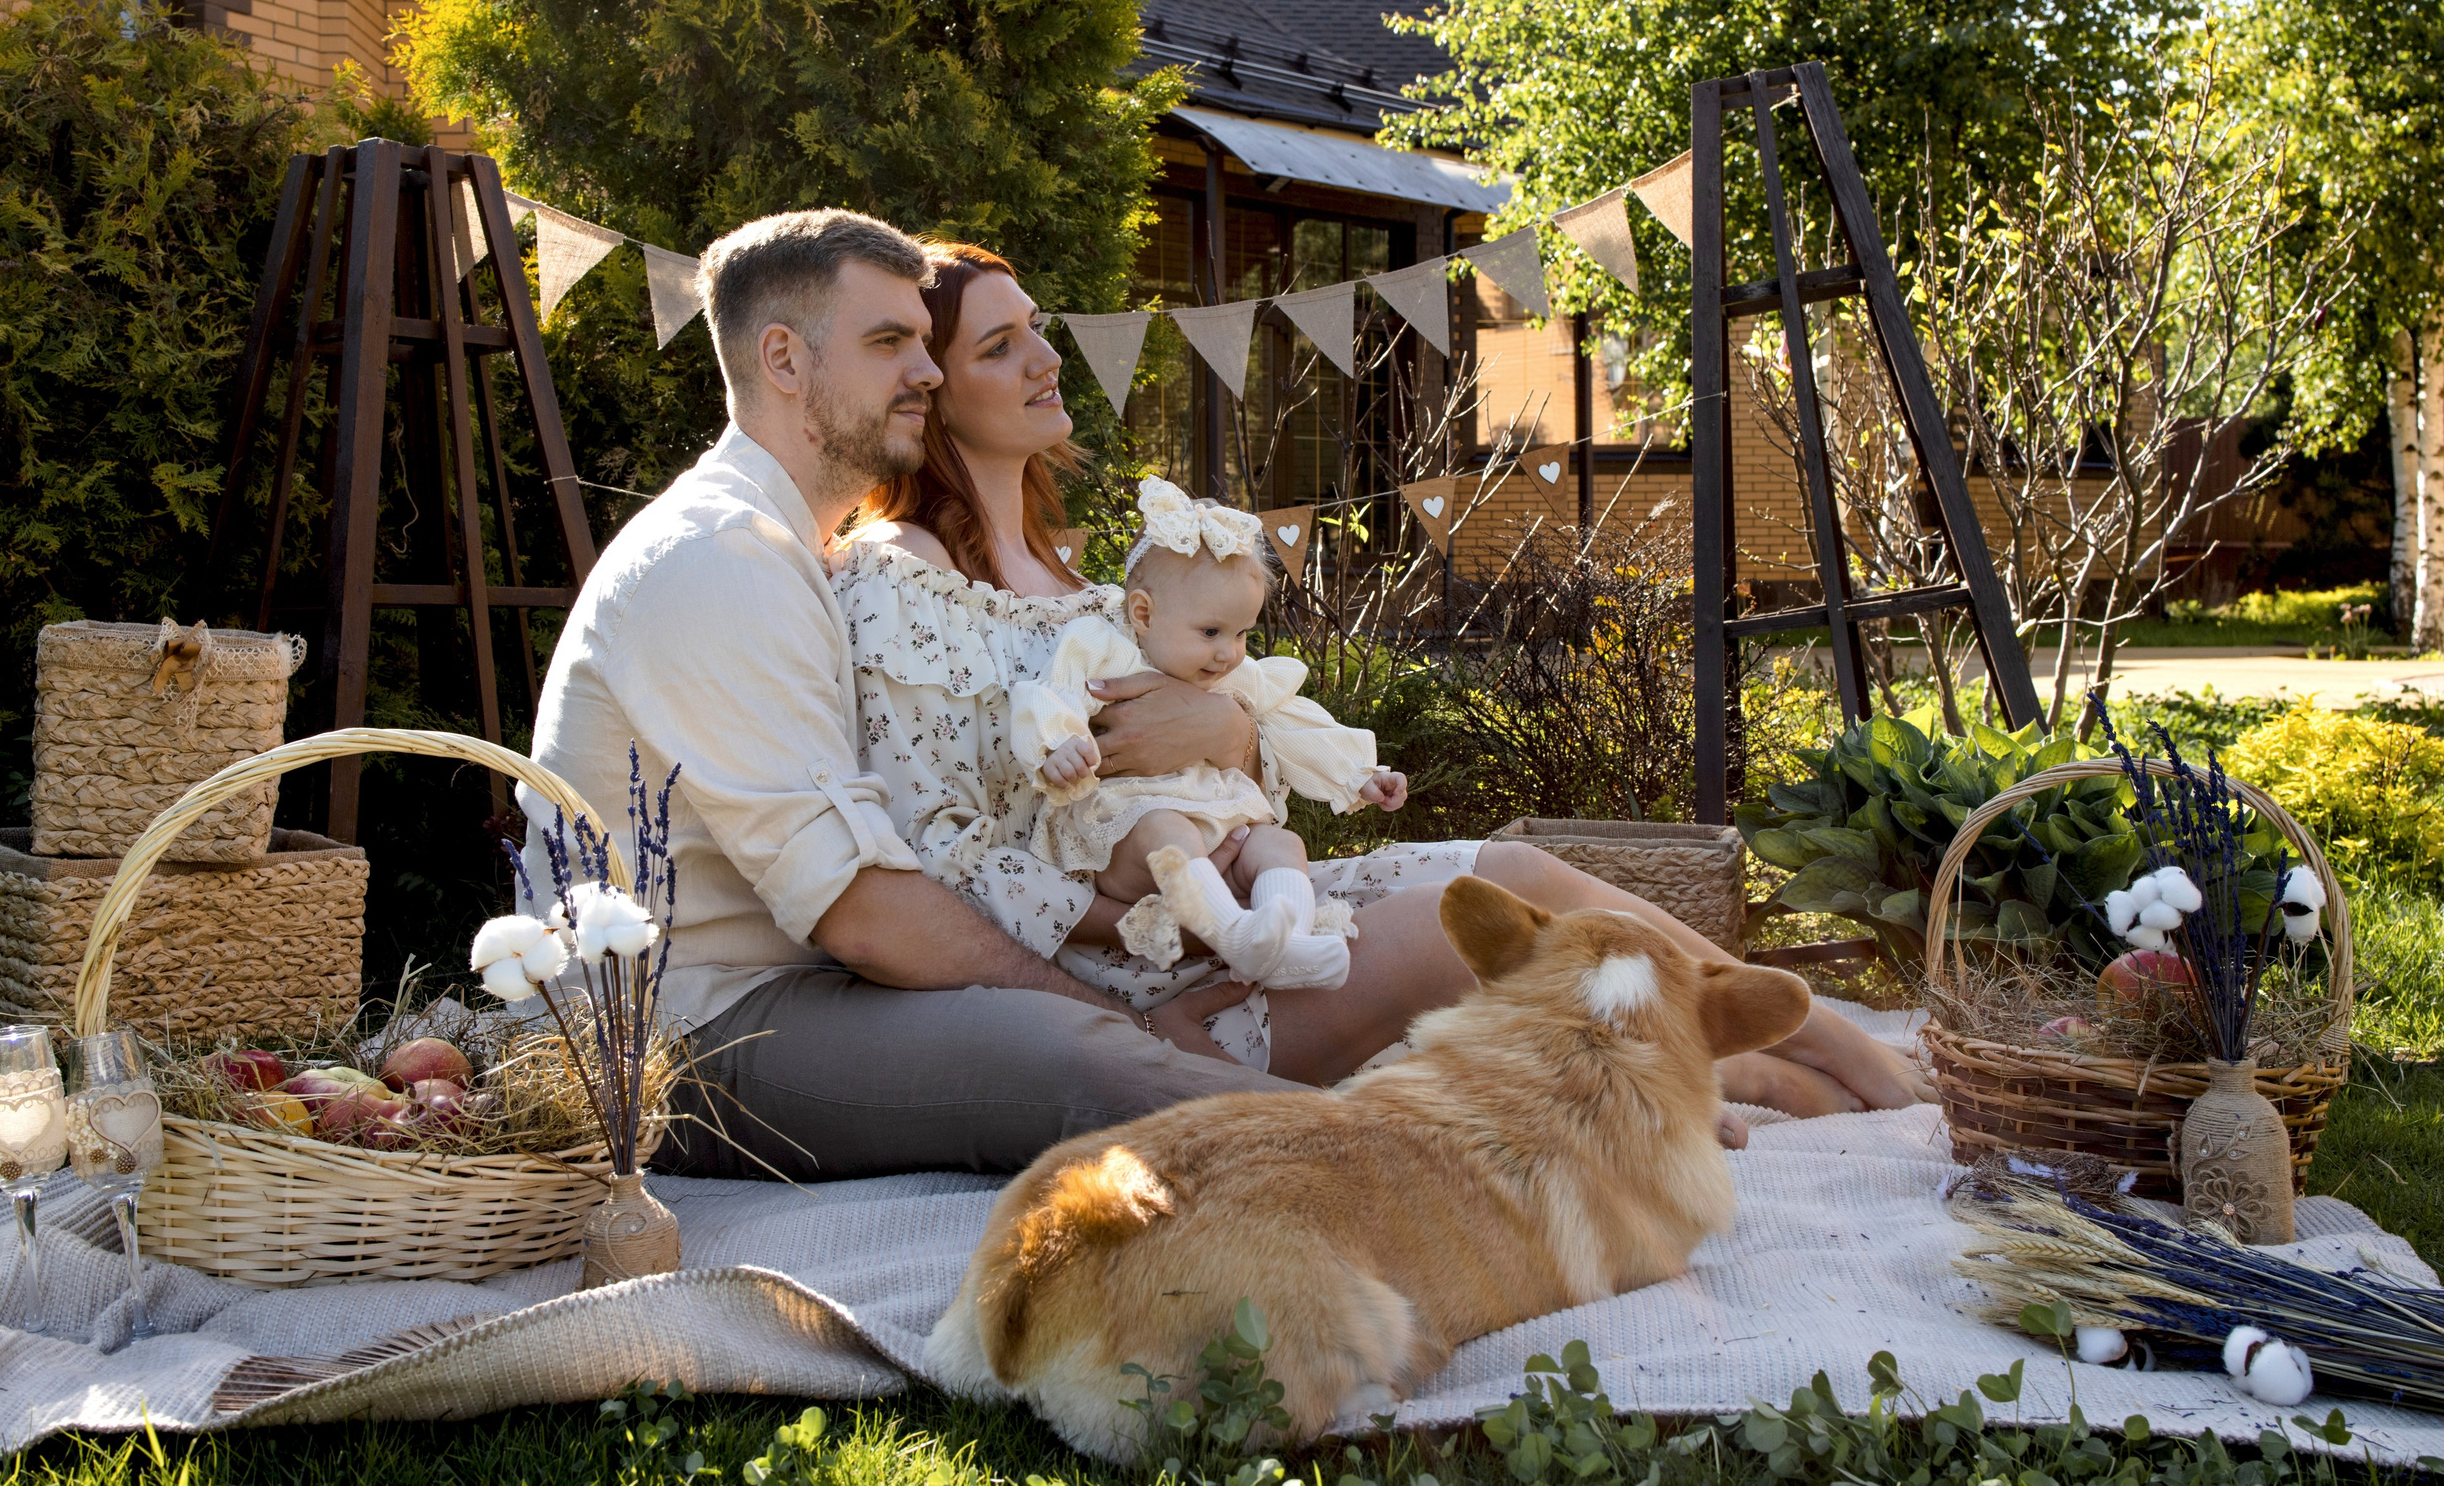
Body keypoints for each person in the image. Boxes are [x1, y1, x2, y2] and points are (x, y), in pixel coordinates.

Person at [524, 212, 1925, 1185]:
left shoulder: (845, 552)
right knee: (1159, 1029)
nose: (937, 367)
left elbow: (1179, 714)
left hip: (1176, 892)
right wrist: (1140, 974)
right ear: (786, 359)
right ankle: (1501, 1150)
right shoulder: (754, 562)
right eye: (906, 342)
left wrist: (1239, 739)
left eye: (928, 339)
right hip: (755, 1012)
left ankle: (1868, 1078)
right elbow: (888, 879)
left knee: (1513, 876)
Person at [833, 241, 1936, 1114]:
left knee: (1514, 865)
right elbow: (939, 852)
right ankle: (1747, 1070)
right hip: (1154, 969)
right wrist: (1123, 942)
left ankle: (1813, 1045)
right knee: (1462, 924)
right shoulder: (904, 579)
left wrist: (1226, 742)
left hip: (1241, 889)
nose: (1042, 360)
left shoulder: (1078, 566)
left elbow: (1211, 728)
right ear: (928, 383)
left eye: (1037, 332)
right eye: (998, 348)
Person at [1002, 475, 1404, 1066]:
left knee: (1278, 841)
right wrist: (1056, 748)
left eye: (1242, 633)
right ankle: (1236, 939)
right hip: (1125, 832)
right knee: (1171, 828)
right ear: (1143, 612)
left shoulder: (1227, 675)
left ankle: (1284, 936)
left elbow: (1287, 718)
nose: (1229, 652)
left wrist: (1355, 773)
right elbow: (1050, 695)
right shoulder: (1102, 647)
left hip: (1215, 823)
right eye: (1212, 632)